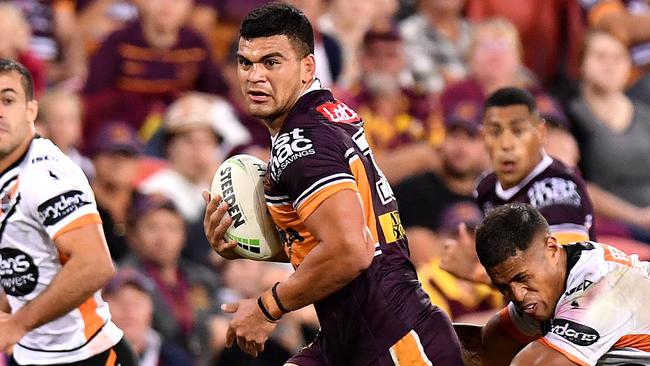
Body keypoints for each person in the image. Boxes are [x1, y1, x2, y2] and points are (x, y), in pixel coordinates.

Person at [203, 4, 463, 366]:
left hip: (394, 344)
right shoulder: (327, 114)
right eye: (246, 63)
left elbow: (351, 250)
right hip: (356, 336)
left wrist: (267, 307)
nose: (254, 76)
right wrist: (245, 244)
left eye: (272, 62)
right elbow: (338, 237)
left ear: (308, 67)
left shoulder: (301, 142)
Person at [0, 58, 136, 365]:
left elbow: (95, 265)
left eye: (8, 100)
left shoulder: (45, 173)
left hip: (86, 354)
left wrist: (17, 325)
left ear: (30, 111)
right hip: (32, 354)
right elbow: (24, 266)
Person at [441, 87, 597, 285]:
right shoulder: (486, 188)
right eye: (495, 132)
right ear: (483, 138)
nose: (506, 144)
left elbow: (562, 274)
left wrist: (478, 272)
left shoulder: (556, 187)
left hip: (575, 311)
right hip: (525, 312)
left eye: (518, 131)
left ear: (540, 133)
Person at [473, 203, 650, 365]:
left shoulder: (602, 287)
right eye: (503, 287)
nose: (518, 296)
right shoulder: (553, 280)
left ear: (551, 249)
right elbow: (487, 347)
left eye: (523, 278)